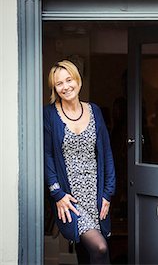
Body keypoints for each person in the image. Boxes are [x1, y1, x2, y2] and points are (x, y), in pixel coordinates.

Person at [44, 60, 116, 264]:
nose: (65, 86)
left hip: (95, 193)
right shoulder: (49, 114)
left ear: (78, 81)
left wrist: (107, 193)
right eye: (59, 83)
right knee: (100, 248)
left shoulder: (94, 111)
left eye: (69, 80)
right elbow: (47, 156)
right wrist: (57, 193)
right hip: (70, 198)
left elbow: (106, 154)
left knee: (87, 252)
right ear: (55, 88)